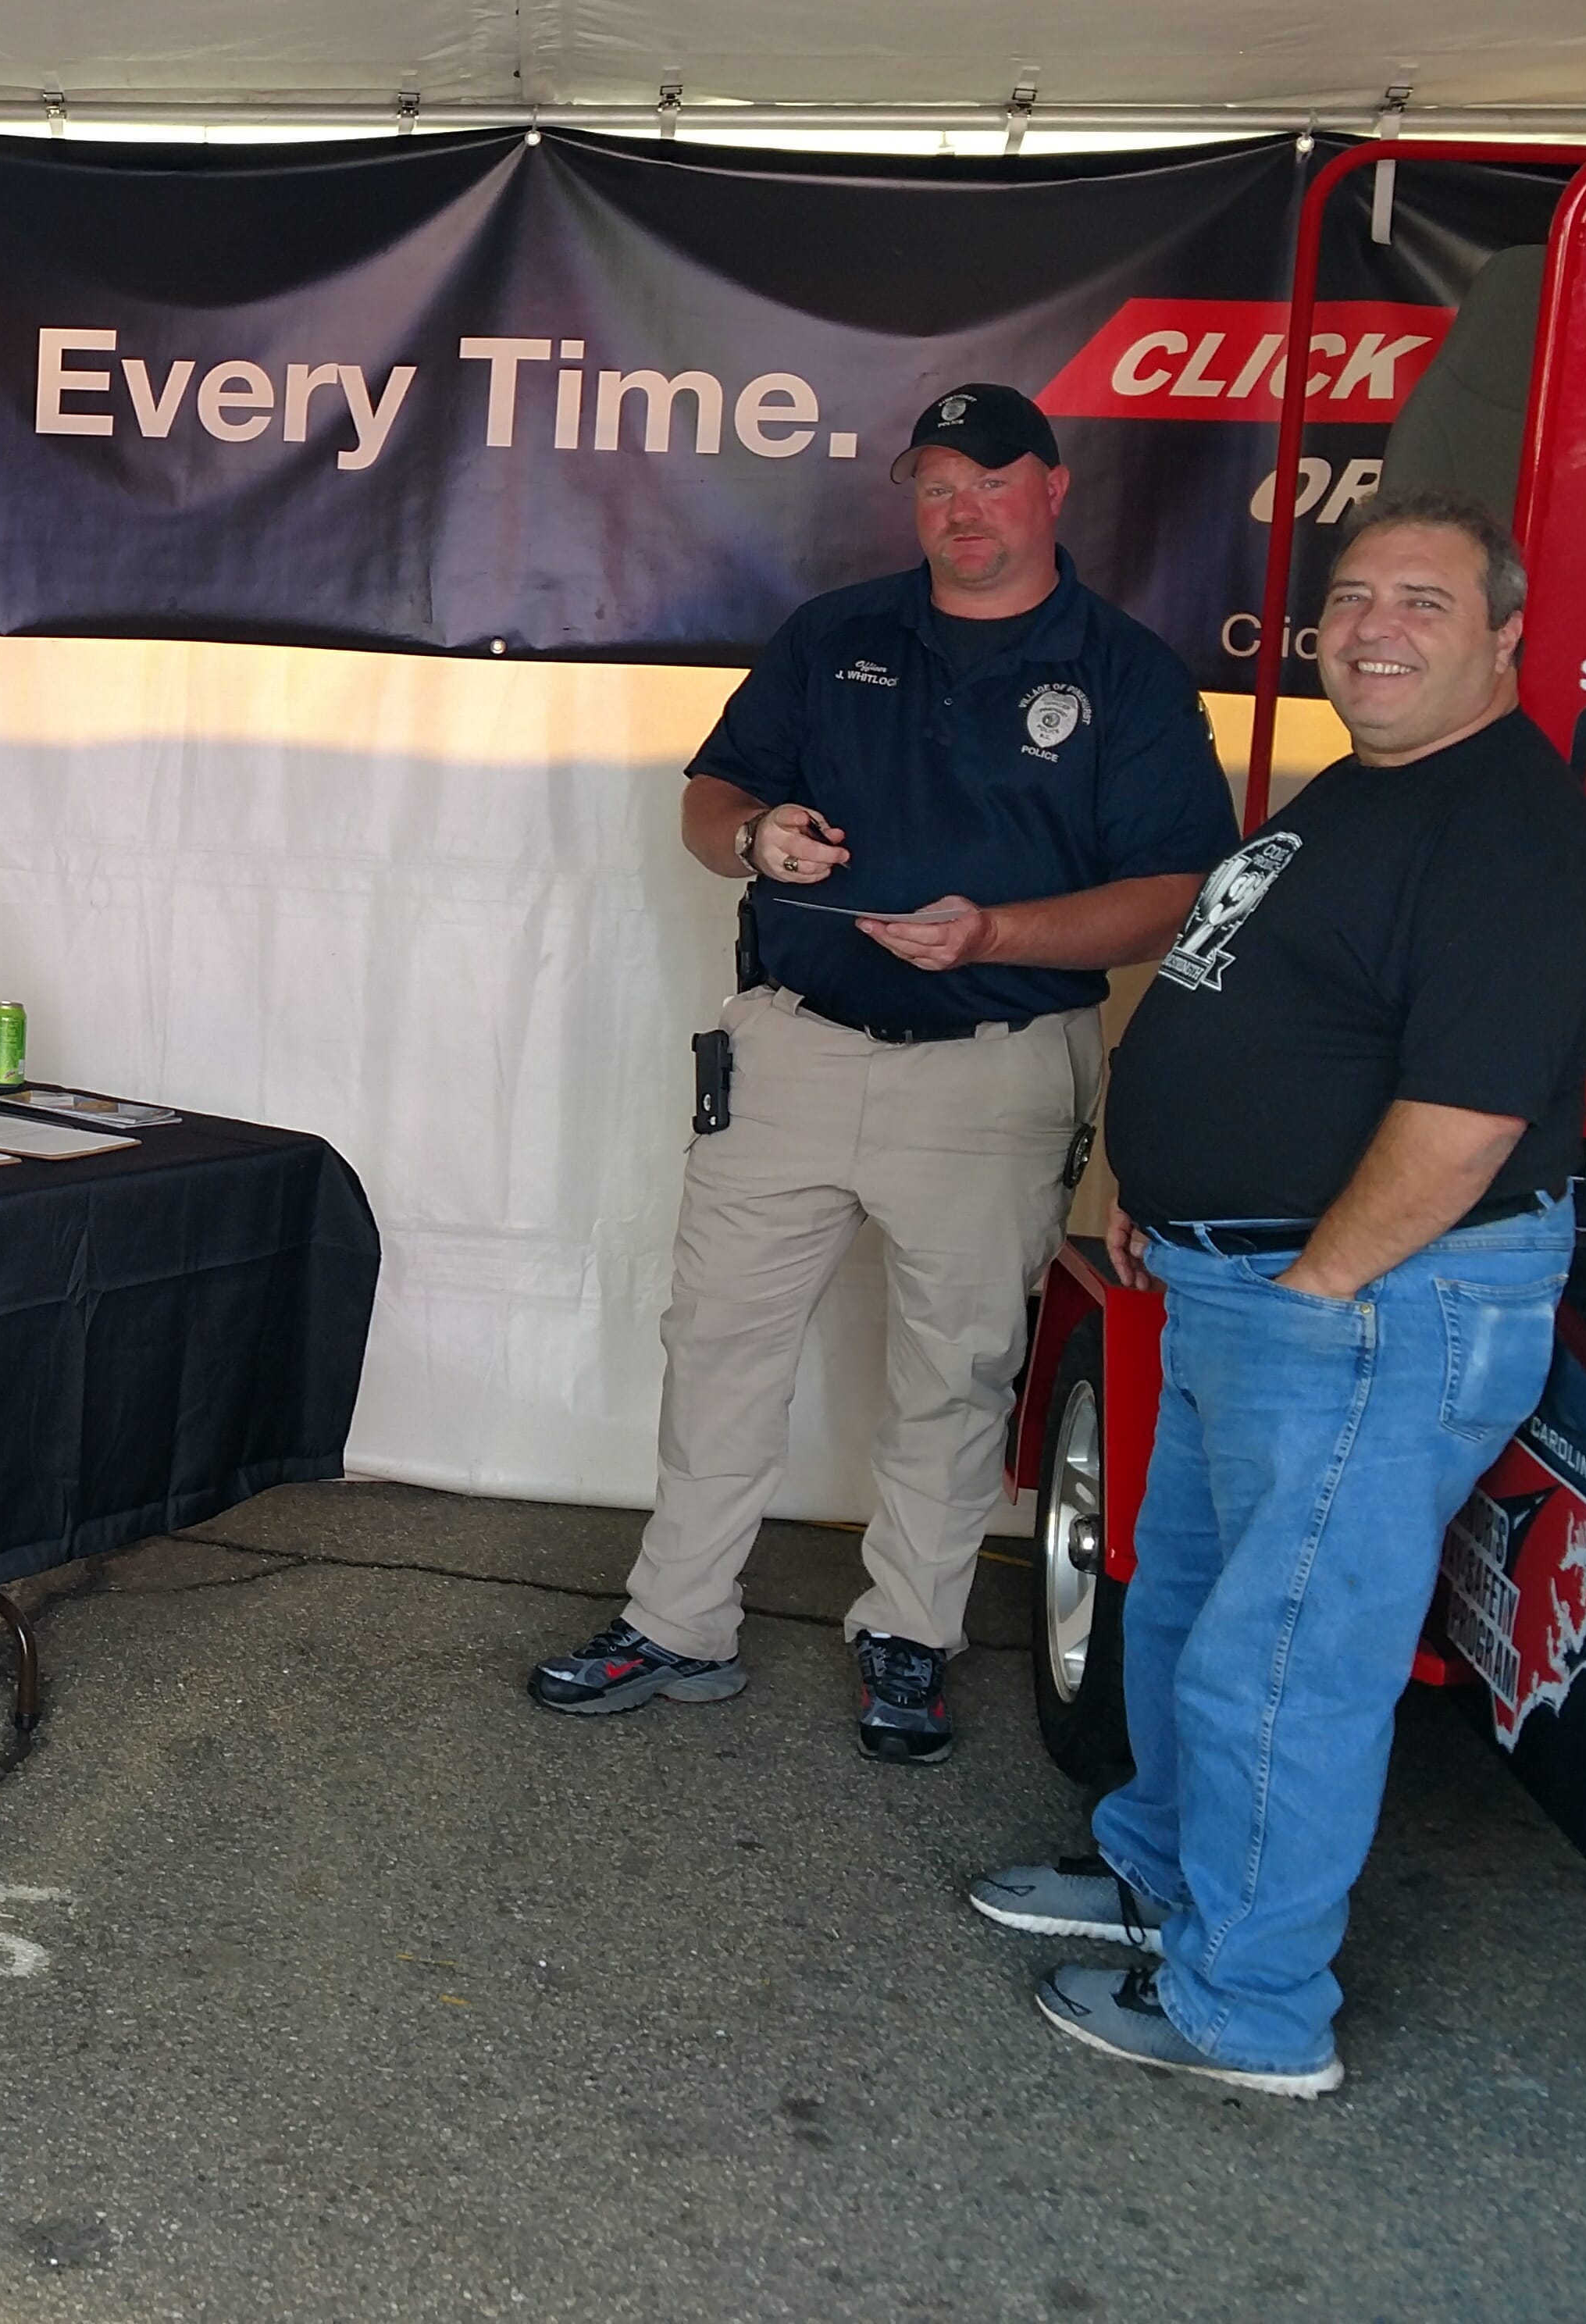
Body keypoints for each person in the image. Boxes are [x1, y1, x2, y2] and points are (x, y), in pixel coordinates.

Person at [968, 493, 1586, 2097]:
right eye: (1350, 597)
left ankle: (1249, 2007)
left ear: (1504, 638)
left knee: (1281, 1663)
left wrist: (1315, 1284)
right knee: (1183, 1612)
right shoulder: (1361, 789)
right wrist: (1159, 1182)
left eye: (1420, 601)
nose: (1372, 628)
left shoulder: (1510, 835)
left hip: (1364, 1305)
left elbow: (1463, 1123)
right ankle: (1160, 1878)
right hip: (1248, 1282)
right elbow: (1252, 1002)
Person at [529, 383, 1237, 1760]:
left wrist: (996, 932)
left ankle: (909, 1635)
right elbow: (710, 797)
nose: (960, 510)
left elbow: (1172, 895)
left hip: (992, 1069)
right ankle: (676, 1623)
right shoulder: (836, 633)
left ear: (1051, 490)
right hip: (792, 1047)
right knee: (717, 1345)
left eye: (989, 481)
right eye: (935, 485)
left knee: (954, 1370)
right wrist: (754, 840)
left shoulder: (1124, 673)